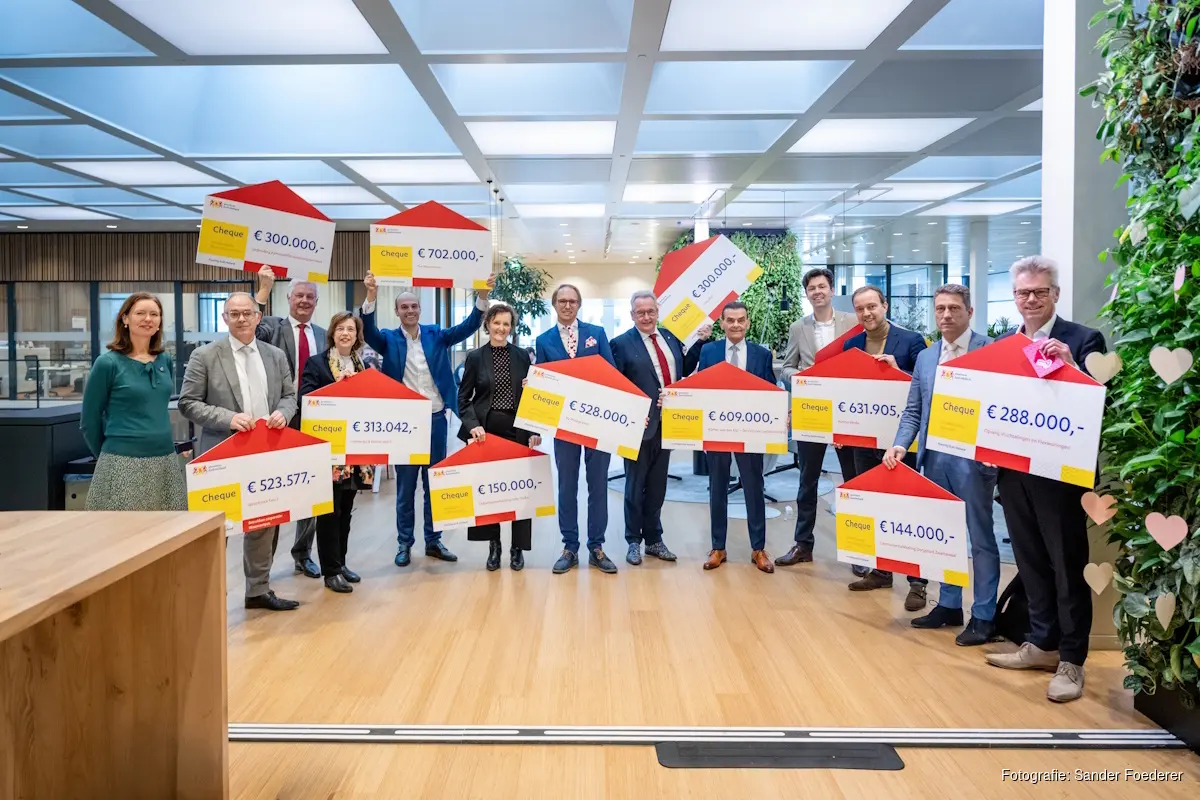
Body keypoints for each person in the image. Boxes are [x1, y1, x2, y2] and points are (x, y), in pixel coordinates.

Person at [984, 256, 1107, 703]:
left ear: (1055, 293)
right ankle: (1041, 643)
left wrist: (1073, 367)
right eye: (1023, 292)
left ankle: (1072, 660)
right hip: (1015, 471)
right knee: (1030, 561)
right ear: (1014, 296)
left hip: (1061, 476)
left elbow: (1103, 402)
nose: (1031, 299)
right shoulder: (1004, 345)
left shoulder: (1084, 339)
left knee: (1067, 565)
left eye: (1039, 291)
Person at [882, 285, 1000, 646]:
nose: (946, 315)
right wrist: (900, 443)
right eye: (940, 309)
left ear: (969, 311)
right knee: (944, 535)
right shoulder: (926, 357)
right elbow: (913, 410)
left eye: (954, 308)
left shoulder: (990, 351)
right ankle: (949, 604)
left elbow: (999, 407)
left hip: (973, 462)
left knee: (980, 538)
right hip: (933, 459)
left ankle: (984, 614)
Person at [361, 271, 493, 567]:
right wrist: (370, 296)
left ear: (419, 309)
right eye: (404, 307)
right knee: (406, 488)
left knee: (434, 483)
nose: (410, 311)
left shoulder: (436, 334)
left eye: (414, 306)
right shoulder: (388, 339)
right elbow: (368, 332)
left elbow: (468, 326)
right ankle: (404, 544)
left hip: (435, 419)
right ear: (396, 311)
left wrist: (482, 297)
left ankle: (434, 541)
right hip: (404, 424)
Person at [179, 293, 299, 611]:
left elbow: (290, 395)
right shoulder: (205, 356)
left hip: (265, 452)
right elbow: (188, 402)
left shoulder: (275, 355)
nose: (242, 319)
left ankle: (258, 590)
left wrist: (284, 413)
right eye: (234, 314)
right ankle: (207, 597)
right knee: (218, 525)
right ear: (225, 318)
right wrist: (228, 418)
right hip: (222, 453)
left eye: (247, 313)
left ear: (259, 317)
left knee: (263, 521)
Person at [840, 285, 930, 608]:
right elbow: (846, 389)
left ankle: (917, 581)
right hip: (865, 438)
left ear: (885, 306)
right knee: (873, 503)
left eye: (872, 306)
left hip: (903, 440)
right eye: (860, 309)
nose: (866, 313)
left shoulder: (911, 341)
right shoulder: (851, 345)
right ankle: (881, 570)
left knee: (908, 507)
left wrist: (898, 371)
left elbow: (927, 385)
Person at [611, 290, 710, 566]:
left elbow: (684, 368)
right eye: (640, 312)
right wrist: (630, 414)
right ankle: (633, 541)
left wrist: (700, 342)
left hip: (670, 423)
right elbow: (617, 385)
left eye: (650, 311)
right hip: (639, 425)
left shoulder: (669, 337)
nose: (646, 317)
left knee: (657, 485)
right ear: (632, 315)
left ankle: (654, 539)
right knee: (635, 485)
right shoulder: (620, 344)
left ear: (657, 312)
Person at [777, 267, 860, 566]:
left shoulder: (853, 322)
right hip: (811, 411)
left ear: (832, 289)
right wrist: (801, 377)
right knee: (807, 480)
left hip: (848, 412)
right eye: (812, 288)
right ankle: (803, 545)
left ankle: (859, 550)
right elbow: (786, 368)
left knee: (852, 480)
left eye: (822, 286)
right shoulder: (798, 327)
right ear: (807, 293)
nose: (817, 292)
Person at [535, 284, 619, 575]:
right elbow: (543, 379)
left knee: (598, 485)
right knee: (567, 486)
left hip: (597, 422)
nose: (567, 305)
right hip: (564, 424)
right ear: (554, 304)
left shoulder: (597, 333)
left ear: (579, 304)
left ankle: (596, 547)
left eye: (572, 301)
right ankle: (570, 547)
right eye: (562, 301)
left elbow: (611, 374)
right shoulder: (544, 340)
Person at [253, 265, 328, 580]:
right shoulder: (273, 327)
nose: (304, 301)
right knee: (274, 491)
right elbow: (251, 330)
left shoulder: (323, 334)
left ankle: (303, 554)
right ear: (289, 298)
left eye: (310, 296)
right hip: (278, 418)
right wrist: (263, 291)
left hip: (315, 420)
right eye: (299, 295)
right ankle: (263, 564)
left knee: (310, 490)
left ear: (316, 301)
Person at [81, 292, 186, 511]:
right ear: (125, 318)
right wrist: (109, 456)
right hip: (122, 461)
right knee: (125, 529)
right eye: (140, 313)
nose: (148, 319)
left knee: (168, 527)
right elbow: (89, 420)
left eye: (154, 314)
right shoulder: (107, 363)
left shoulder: (165, 360)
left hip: (165, 459)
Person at [457, 303, 543, 571]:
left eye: (506, 324)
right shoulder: (475, 357)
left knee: (521, 490)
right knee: (489, 490)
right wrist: (473, 425)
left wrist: (534, 430)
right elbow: (463, 398)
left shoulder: (522, 356)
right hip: (486, 433)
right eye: (497, 323)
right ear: (487, 324)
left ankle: (518, 548)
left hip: (517, 431)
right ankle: (494, 545)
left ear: (511, 327)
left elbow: (533, 398)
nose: (501, 328)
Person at [298, 312, 374, 594]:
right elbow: (305, 400)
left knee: (346, 510)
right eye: (340, 328)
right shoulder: (317, 363)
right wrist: (336, 387)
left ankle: (340, 563)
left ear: (357, 336)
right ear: (332, 333)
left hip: (356, 449)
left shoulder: (363, 366)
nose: (345, 333)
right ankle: (330, 571)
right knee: (330, 511)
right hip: (329, 449)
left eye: (351, 329)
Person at [698, 302, 776, 574]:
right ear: (722, 323)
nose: (736, 325)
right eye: (730, 320)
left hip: (750, 431)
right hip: (717, 430)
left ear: (748, 322)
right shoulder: (708, 351)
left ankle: (758, 548)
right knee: (717, 487)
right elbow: (700, 387)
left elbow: (770, 391)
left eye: (741, 320)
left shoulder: (761, 354)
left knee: (754, 487)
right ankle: (718, 547)